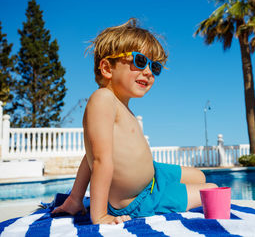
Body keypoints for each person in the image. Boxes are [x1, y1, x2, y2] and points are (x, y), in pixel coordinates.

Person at [52, 19, 217, 224]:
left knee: (200, 176)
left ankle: (165, 184)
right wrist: (100, 215)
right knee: (211, 190)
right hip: (141, 198)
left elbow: (89, 156)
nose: (148, 71)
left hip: (155, 174)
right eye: (139, 62)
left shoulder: (121, 106)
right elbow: (98, 160)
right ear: (107, 68)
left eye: (154, 67)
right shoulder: (103, 99)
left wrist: (75, 198)